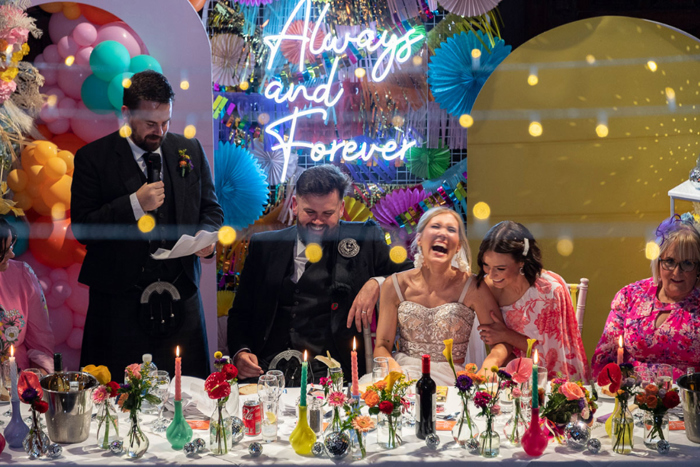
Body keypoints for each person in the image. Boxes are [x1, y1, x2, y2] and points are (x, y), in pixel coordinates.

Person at [71, 71, 223, 378]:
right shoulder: (93, 158)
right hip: (118, 300)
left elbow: (211, 209)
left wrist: (207, 240)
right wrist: (134, 204)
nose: (160, 131)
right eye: (150, 124)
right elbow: (83, 229)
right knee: (118, 399)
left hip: (182, 295)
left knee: (189, 393)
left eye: (166, 122)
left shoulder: (189, 150)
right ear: (127, 114)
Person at [228, 165, 411, 383]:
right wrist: (241, 352)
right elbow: (240, 311)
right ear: (295, 205)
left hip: (335, 374)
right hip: (268, 370)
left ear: (341, 208)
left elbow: (409, 273)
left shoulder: (364, 238)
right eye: (310, 212)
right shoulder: (265, 246)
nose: (318, 222)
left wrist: (378, 282)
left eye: (327, 214)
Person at [374, 207, 510, 385]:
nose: (443, 234)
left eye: (451, 230)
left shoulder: (474, 287)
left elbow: (501, 343)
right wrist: (391, 366)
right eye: (436, 226)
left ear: (459, 245)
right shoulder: (395, 285)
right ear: (419, 238)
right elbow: (382, 345)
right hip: (403, 375)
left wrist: (490, 363)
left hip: (452, 380)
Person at [476, 221, 590, 381]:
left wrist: (507, 335)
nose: (492, 274)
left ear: (521, 262)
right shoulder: (488, 287)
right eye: (486, 265)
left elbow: (552, 354)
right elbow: (494, 340)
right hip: (509, 372)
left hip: (549, 380)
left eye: (500, 268)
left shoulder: (549, 292)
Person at [592, 214, 700, 380]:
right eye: (670, 261)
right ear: (658, 261)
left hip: (689, 398)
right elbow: (604, 356)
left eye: (687, 263)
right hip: (632, 395)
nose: (677, 272)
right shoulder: (631, 295)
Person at [0, 218, 54, 374]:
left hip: (18, 382)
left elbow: (41, 343)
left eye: (11, 245)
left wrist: (38, 379)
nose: (12, 254)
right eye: (3, 251)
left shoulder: (22, 275)